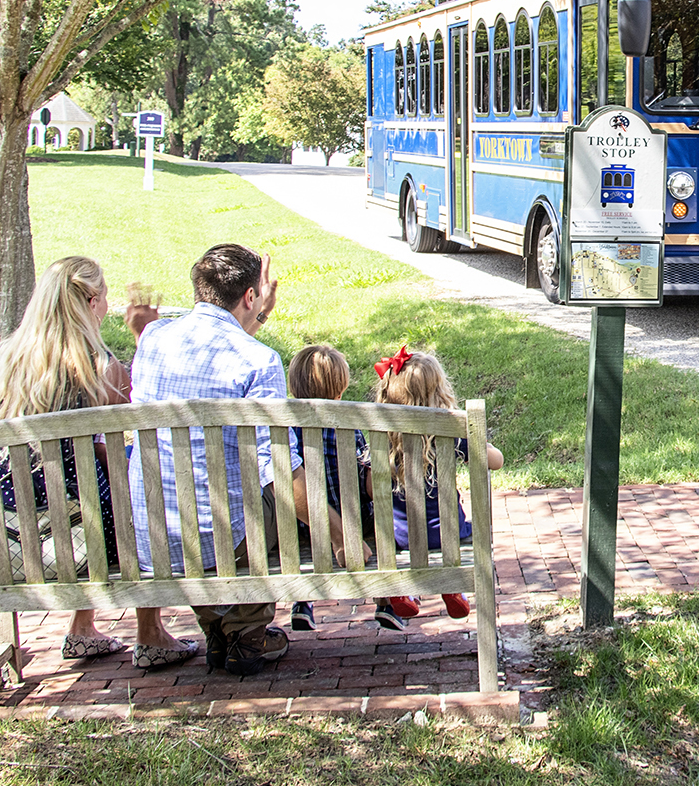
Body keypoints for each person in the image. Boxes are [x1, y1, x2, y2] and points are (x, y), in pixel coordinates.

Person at [0, 256, 195, 670]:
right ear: (91, 301)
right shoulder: (99, 365)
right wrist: (143, 335)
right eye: (105, 298)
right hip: (85, 535)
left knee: (83, 482)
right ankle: (150, 635)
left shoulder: (2, 361)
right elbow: (144, 396)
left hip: (7, 530)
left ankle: (83, 630)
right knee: (136, 492)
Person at [125, 243, 314, 677]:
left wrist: (256, 315)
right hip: (220, 536)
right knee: (264, 498)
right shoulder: (259, 360)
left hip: (153, 530)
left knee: (197, 489)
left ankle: (216, 628)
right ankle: (246, 630)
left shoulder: (152, 338)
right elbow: (278, 467)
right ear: (250, 296)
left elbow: (220, 349)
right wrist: (336, 532)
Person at [367, 345, 504, 630]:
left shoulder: (382, 439)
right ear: (439, 393)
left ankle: (401, 590)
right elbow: (496, 462)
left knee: (386, 527)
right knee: (450, 531)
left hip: (400, 538)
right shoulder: (451, 432)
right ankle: (451, 587)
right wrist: (481, 442)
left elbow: (370, 488)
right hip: (447, 537)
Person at [284, 343, 368, 632]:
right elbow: (364, 479)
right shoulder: (348, 429)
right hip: (352, 522)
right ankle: (386, 601)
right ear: (339, 392)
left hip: (299, 527)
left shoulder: (286, 432)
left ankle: (302, 602)